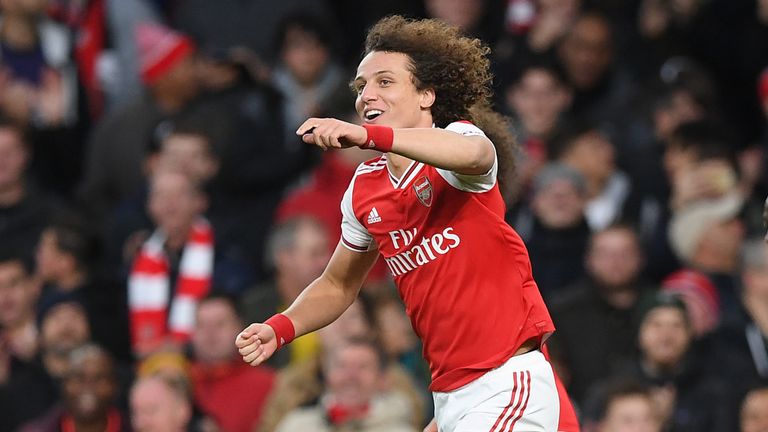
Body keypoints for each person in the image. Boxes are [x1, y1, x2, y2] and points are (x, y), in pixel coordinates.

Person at [237, 16, 564, 431]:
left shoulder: (461, 144)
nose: (367, 95)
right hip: (449, 395)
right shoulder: (364, 189)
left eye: (385, 82)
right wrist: (280, 327)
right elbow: (338, 284)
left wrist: (368, 137)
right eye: (361, 86)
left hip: (506, 382)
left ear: (427, 94)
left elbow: (476, 157)